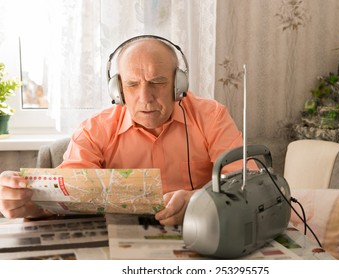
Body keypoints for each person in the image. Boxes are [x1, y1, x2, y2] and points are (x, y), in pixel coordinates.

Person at [0, 35, 245, 225]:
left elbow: (247, 184)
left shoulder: (211, 117)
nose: (145, 98)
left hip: (202, 232)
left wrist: (196, 201)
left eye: (158, 82)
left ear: (179, 85)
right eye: (132, 84)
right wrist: (30, 204)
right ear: (117, 90)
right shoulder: (94, 130)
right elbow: (68, 197)